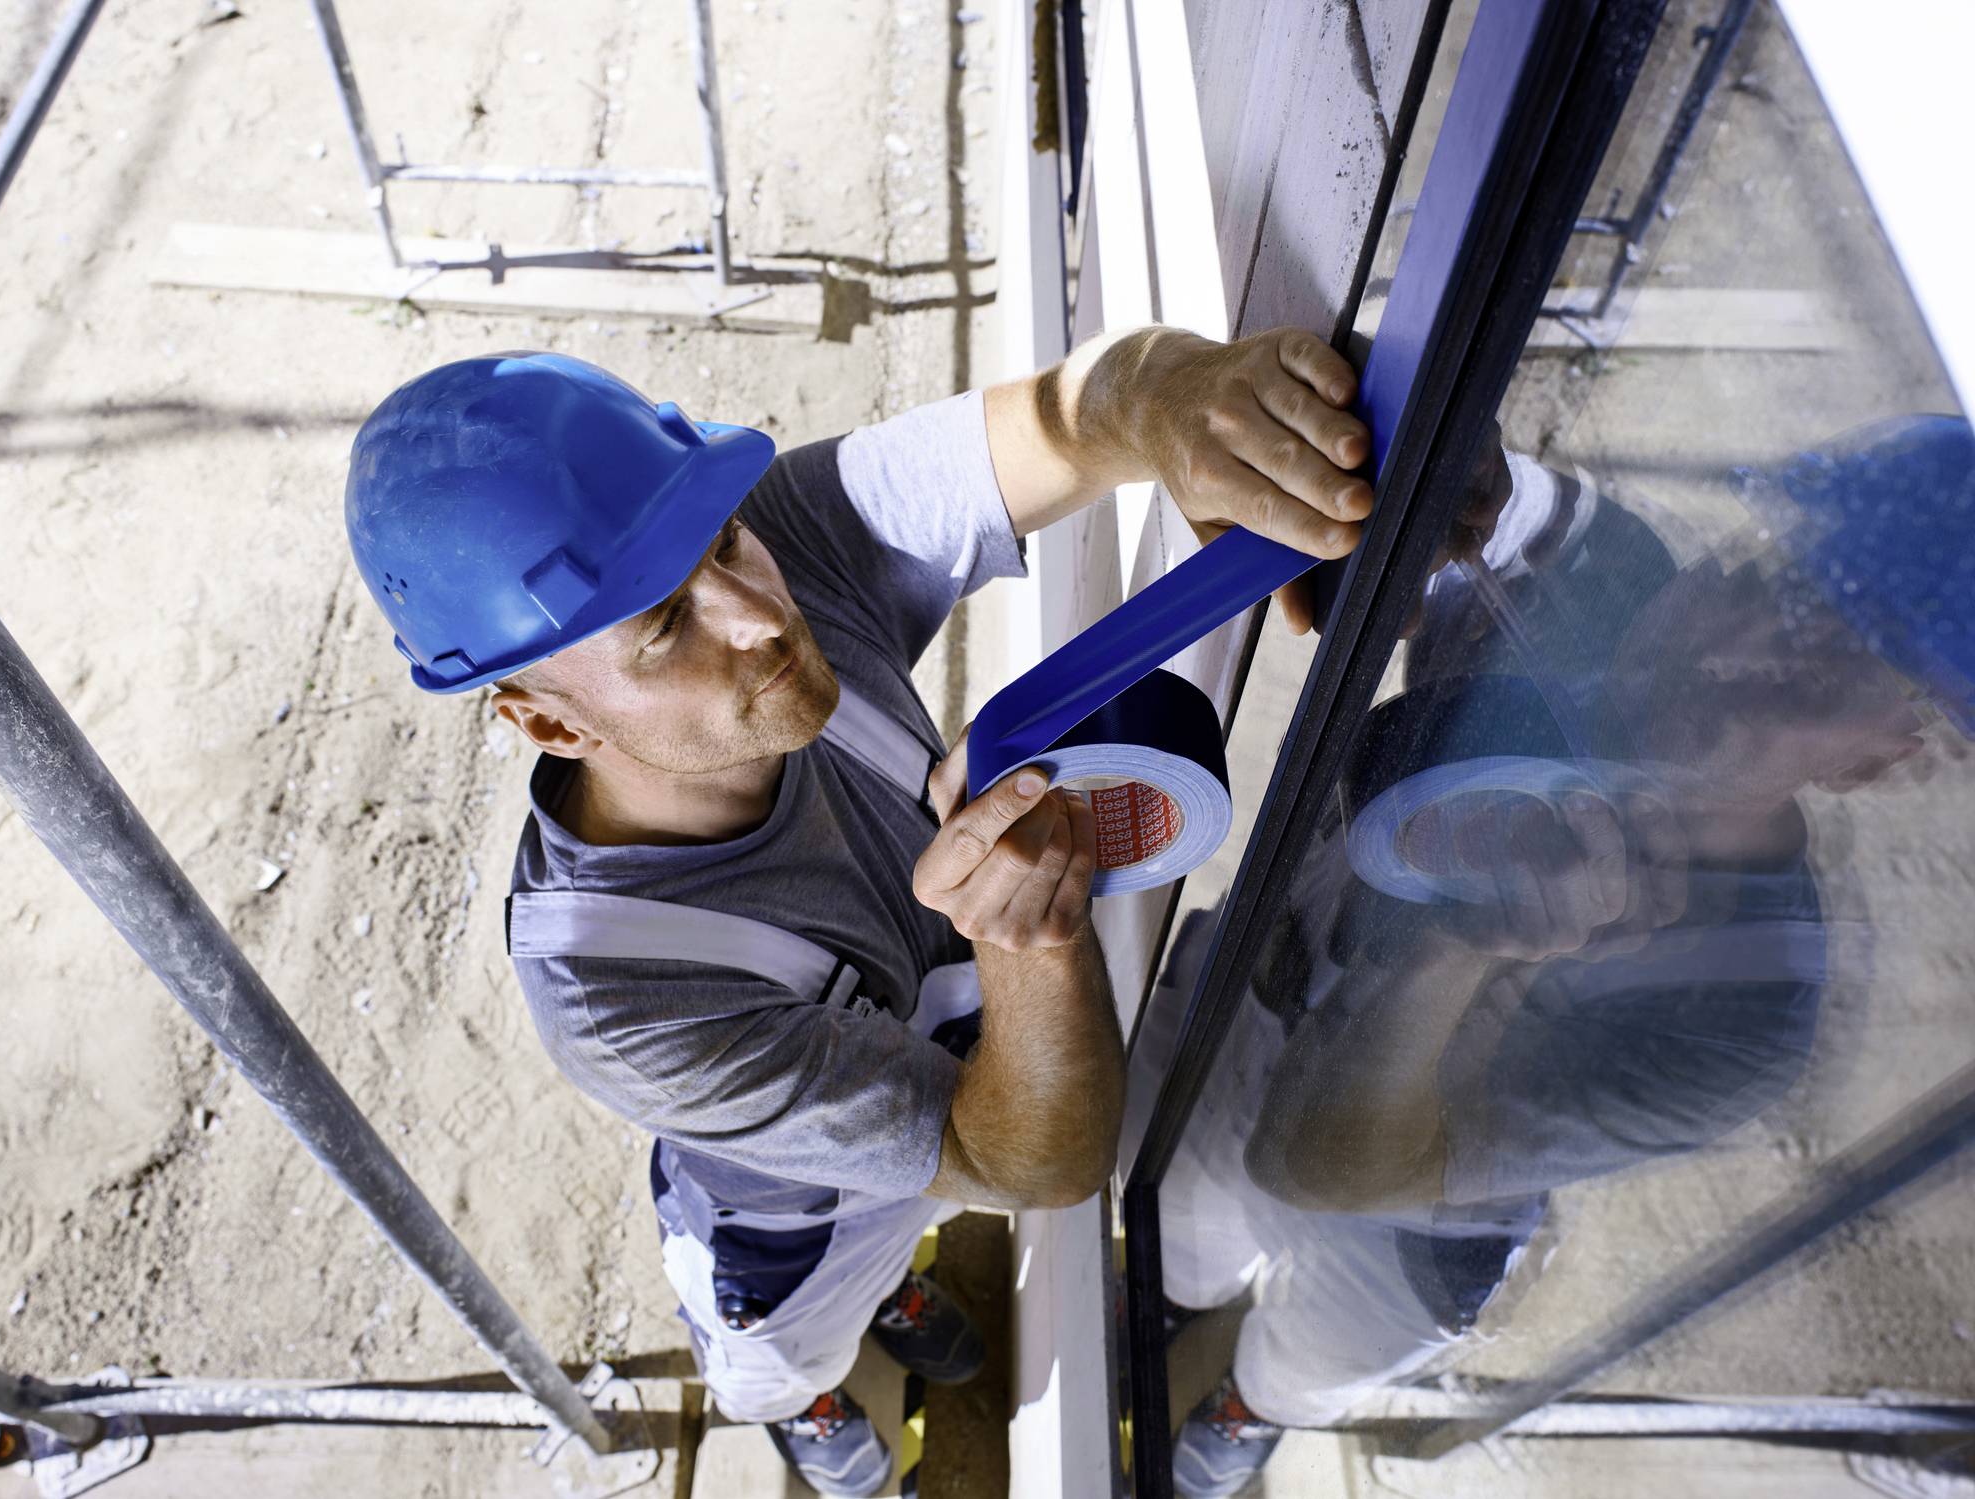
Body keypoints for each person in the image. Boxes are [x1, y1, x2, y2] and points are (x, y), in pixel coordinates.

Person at [342, 326, 1378, 1493]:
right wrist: (1024, 941)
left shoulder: (779, 545)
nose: (758, 613)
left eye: (722, 541)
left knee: (899, 1232)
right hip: (794, 1222)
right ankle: (810, 1404)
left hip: (914, 1142)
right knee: (787, 1348)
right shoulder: (622, 996)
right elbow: (1017, 1159)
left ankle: (894, 1290)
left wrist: (1169, 397)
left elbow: (1060, 421)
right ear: (549, 721)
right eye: (664, 625)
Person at [1159, 414, 1975, 1497]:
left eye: (1828, 665)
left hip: (1398, 1226)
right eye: (1770, 576)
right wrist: (1423, 461)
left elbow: (1319, 1165)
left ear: (1880, 758)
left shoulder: (1746, 1013)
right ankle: (1179, 1316)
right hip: (1239, 1008)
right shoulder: (1592, 579)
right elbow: (1474, 483)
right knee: (1175, 1234)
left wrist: (1460, 952)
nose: (1737, 647)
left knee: (1303, 1361)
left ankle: (1248, 1402)